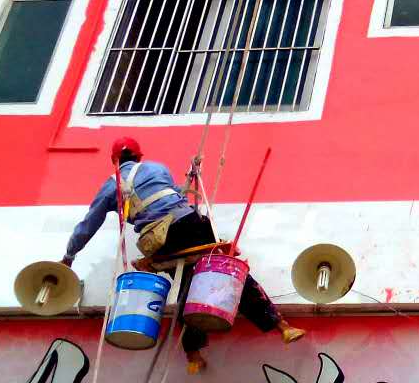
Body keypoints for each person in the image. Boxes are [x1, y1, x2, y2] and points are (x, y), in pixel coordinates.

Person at [61, 137, 305, 375]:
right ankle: (282, 326)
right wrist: (189, 179)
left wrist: (69, 256)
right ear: (139, 157)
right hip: (193, 224)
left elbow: (88, 225)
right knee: (228, 274)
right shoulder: (157, 168)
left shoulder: (111, 185)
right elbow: (174, 197)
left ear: (114, 160)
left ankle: (193, 354)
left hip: (163, 239)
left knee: (189, 287)